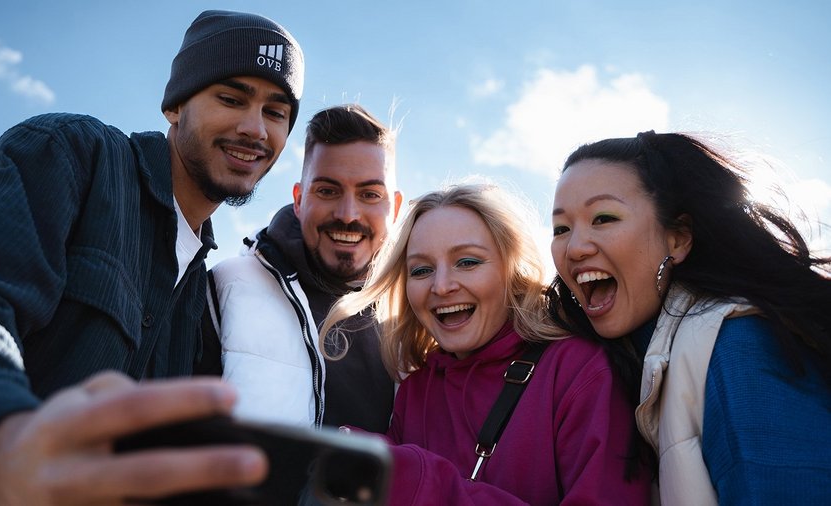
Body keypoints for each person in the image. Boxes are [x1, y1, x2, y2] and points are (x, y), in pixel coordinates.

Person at [0, 10, 305, 505]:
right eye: (231, 98)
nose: (254, 129)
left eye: (275, 112)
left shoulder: (202, 294)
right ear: (174, 106)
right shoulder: (71, 154)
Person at [319, 182, 652, 504]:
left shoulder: (577, 370)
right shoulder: (416, 390)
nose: (442, 286)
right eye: (421, 270)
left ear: (512, 270)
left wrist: (415, 480)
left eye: (468, 262)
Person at [548, 131, 831, 505]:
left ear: (678, 239)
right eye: (561, 229)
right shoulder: (628, 363)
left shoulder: (735, 347)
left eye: (603, 218)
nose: (575, 247)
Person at [208, 104, 401, 432]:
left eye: (369, 194)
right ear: (299, 200)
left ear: (394, 208)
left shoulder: (419, 316)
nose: (348, 214)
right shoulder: (226, 287)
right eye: (327, 191)